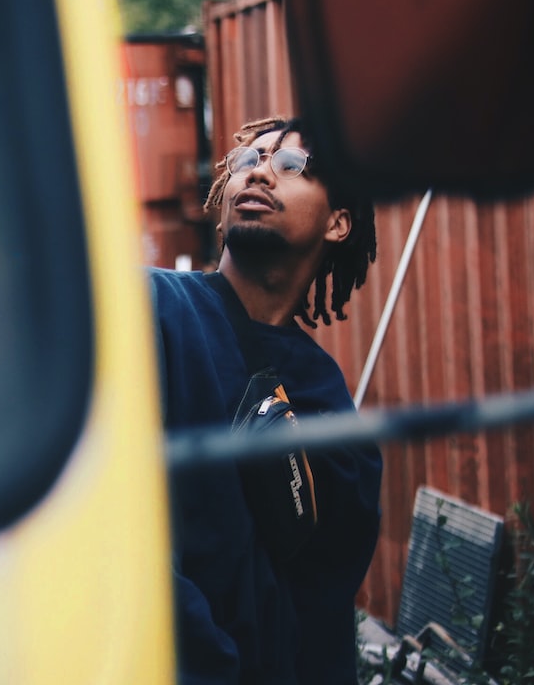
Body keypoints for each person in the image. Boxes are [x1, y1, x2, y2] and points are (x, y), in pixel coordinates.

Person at [149, 116, 382, 684]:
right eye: (248, 161)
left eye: (291, 166)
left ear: (338, 223)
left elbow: (319, 613)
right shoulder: (150, 308)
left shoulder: (331, 413)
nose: (260, 173)